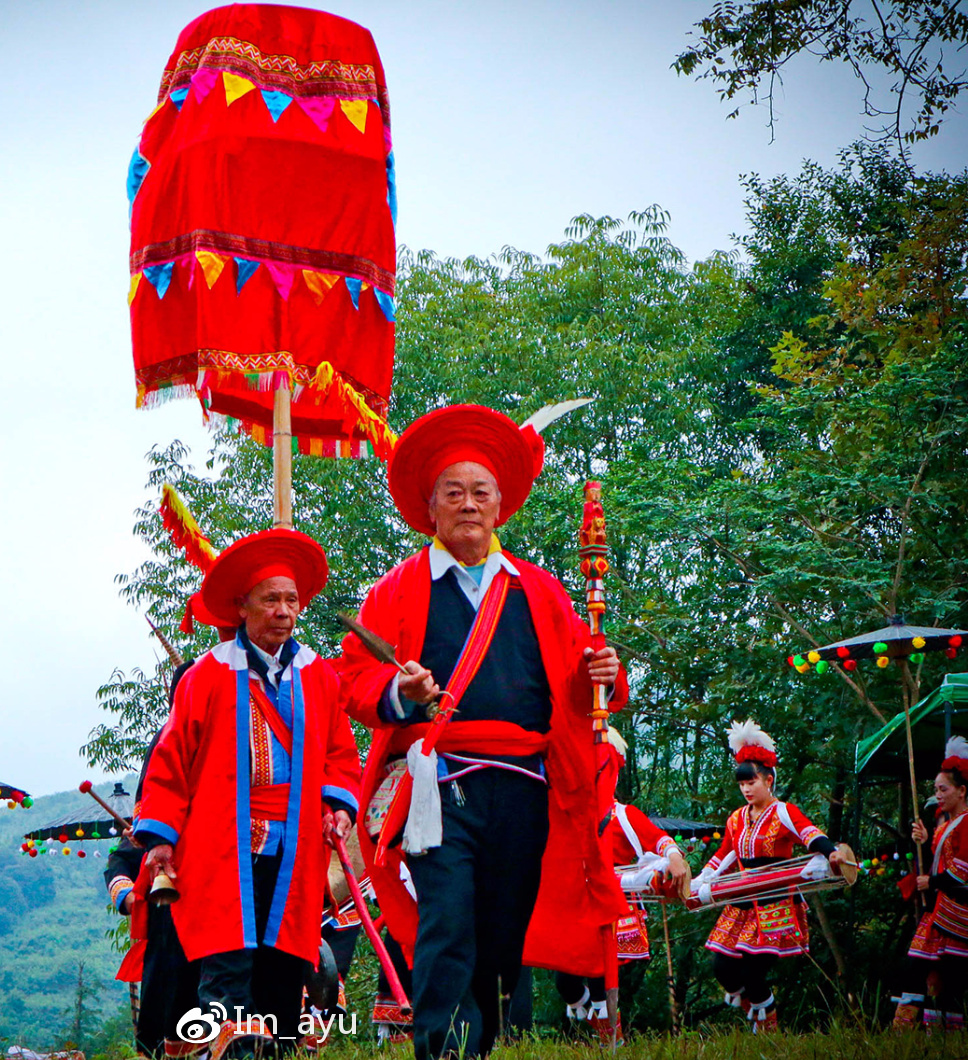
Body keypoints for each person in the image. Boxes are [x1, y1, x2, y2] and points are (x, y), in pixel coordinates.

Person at [339, 403, 631, 1060]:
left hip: (526, 783)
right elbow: (354, 679)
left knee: (504, 933)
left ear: (501, 505)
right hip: (439, 783)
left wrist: (604, 674)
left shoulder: (542, 589)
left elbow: (581, 692)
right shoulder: (398, 588)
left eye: (480, 492)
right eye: (454, 492)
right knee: (448, 918)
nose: (468, 504)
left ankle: (484, 1045)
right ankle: (442, 1048)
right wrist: (400, 693)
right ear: (431, 507)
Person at [135, 529, 363, 1059]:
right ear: (242, 606)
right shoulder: (207, 676)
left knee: (285, 975)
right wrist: (161, 838)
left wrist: (338, 806)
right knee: (227, 977)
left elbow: (339, 755)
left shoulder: (319, 677)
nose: (284, 611)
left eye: (291, 600)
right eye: (271, 599)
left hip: (296, 849)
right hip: (223, 851)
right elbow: (170, 764)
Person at [106, 593, 238, 1057]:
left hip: (230, 864)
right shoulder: (169, 740)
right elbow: (127, 852)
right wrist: (127, 888)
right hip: (176, 876)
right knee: (172, 976)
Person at [694, 719, 849, 1033]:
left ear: (769, 780)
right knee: (722, 966)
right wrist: (699, 882)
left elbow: (810, 835)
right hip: (741, 898)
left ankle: (767, 1030)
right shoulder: (736, 818)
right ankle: (759, 1016)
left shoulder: (783, 812)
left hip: (774, 900)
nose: (747, 789)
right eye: (742, 784)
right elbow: (725, 854)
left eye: (753, 782)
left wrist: (831, 852)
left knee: (754, 970)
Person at [555, 727, 690, 1043]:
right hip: (578, 905)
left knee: (602, 980)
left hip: (616, 907)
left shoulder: (625, 815)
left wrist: (674, 857)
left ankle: (610, 1041)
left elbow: (660, 840)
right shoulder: (572, 815)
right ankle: (605, 1032)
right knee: (566, 981)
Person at [892, 737, 968, 1031]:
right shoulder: (946, 825)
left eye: (943, 789)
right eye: (935, 789)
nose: (937, 795)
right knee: (918, 971)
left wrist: (931, 881)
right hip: (938, 915)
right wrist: (924, 844)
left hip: (958, 917)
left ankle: (944, 1042)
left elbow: (960, 873)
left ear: (962, 791)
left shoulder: (965, 824)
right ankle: (905, 1034)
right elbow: (937, 864)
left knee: (949, 984)